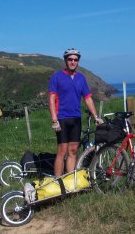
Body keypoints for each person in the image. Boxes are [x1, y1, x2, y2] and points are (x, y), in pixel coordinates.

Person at [48, 48, 103, 177]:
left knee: (73, 151)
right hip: (61, 118)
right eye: (70, 59)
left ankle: (69, 180)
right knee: (62, 151)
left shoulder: (81, 78)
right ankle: (57, 182)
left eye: (75, 60)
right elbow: (51, 99)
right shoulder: (57, 77)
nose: (73, 62)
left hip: (76, 118)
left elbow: (88, 98)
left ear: (78, 61)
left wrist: (96, 116)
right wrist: (54, 120)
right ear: (65, 60)